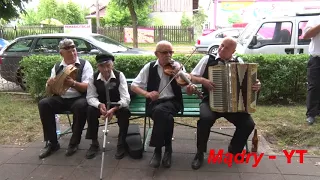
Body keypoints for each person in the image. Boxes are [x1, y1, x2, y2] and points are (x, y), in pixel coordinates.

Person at [185, 37, 261, 170]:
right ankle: (200, 153)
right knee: (205, 119)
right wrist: (203, 81)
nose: (221, 49)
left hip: (233, 104)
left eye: (226, 47)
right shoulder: (208, 59)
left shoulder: (239, 61)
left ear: (233, 51)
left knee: (248, 124)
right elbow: (191, 76)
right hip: (210, 101)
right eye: (221, 45)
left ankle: (234, 149)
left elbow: (249, 81)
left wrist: (257, 85)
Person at [130, 40, 184, 168]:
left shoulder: (177, 67)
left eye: (171, 52)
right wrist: (147, 94)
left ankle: (158, 150)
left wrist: (181, 77)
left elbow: (185, 85)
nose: (169, 55)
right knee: (167, 117)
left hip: (173, 102)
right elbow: (133, 86)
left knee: (161, 112)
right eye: (165, 52)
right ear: (156, 54)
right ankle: (168, 149)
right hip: (154, 104)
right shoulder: (149, 67)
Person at [38, 39, 93, 159]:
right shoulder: (57, 66)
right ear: (61, 53)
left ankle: (74, 143)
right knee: (44, 104)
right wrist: (49, 84)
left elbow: (88, 87)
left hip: (79, 98)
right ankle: (52, 143)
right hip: (61, 98)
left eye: (74, 51)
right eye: (69, 52)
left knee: (81, 106)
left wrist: (73, 83)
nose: (73, 54)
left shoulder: (84, 64)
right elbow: (49, 91)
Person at [85, 54, 131, 159]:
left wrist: (115, 108)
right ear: (98, 66)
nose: (106, 69)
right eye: (102, 66)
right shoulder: (93, 77)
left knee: (125, 111)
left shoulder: (120, 75)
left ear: (112, 65)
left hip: (117, 104)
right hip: (102, 106)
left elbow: (126, 98)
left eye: (108, 65)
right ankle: (94, 143)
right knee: (90, 110)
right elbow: (90, 97)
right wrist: (99, 105)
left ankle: (121, 143)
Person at [303, 15, 320, 125]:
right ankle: (311, 114)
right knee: (314, 86)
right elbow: (306, 35)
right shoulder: (315, 19)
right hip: (317, 58)